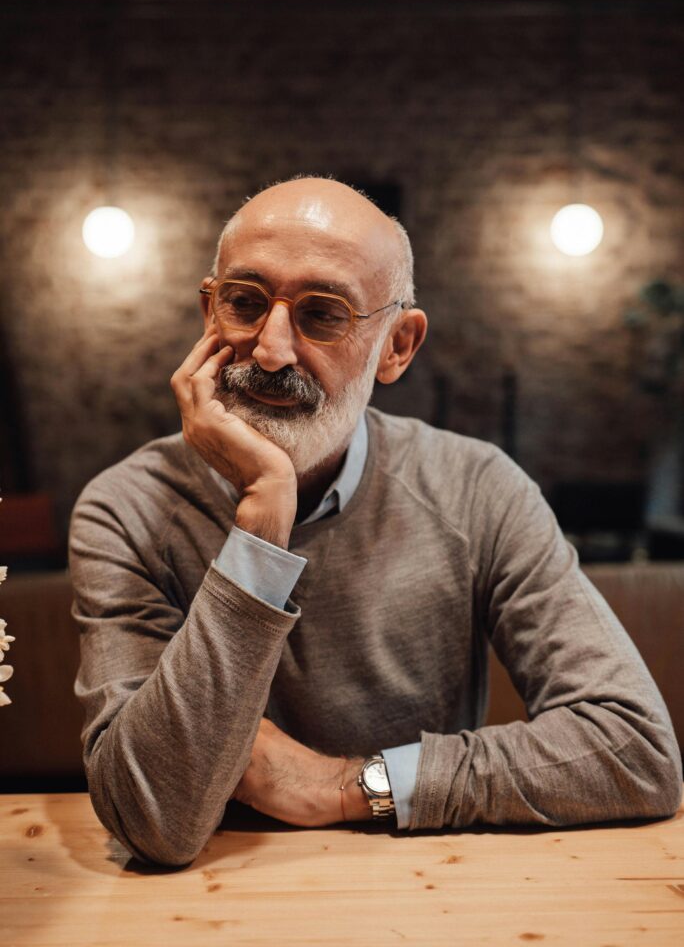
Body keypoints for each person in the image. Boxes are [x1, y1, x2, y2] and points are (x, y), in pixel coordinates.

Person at [70, 176, 682, 868]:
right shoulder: (124, 508)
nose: (271, 350)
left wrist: (347, 787)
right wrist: (262, 523)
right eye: (245, 303)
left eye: (322, 314)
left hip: (424, 890)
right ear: (209, 313)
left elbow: (633, 749)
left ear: (397, 345)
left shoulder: (477, 489)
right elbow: (152, 817)